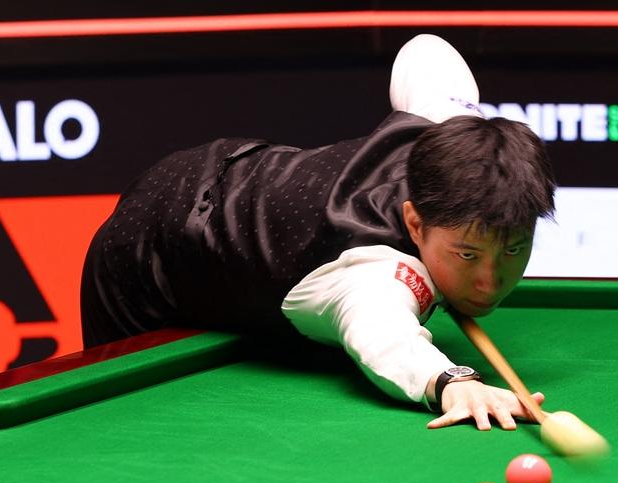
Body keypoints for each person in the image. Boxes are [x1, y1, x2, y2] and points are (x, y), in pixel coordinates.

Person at [79, 34, 556, 431]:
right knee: (122, 422)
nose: (489, 282)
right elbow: (384, 337)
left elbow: (427, 51)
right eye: (467, 256)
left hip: (238, 186)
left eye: (513, 250)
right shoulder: (371, 268)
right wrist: (452, 382)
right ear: (415, 223)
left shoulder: (455, 139)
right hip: (149, 249)